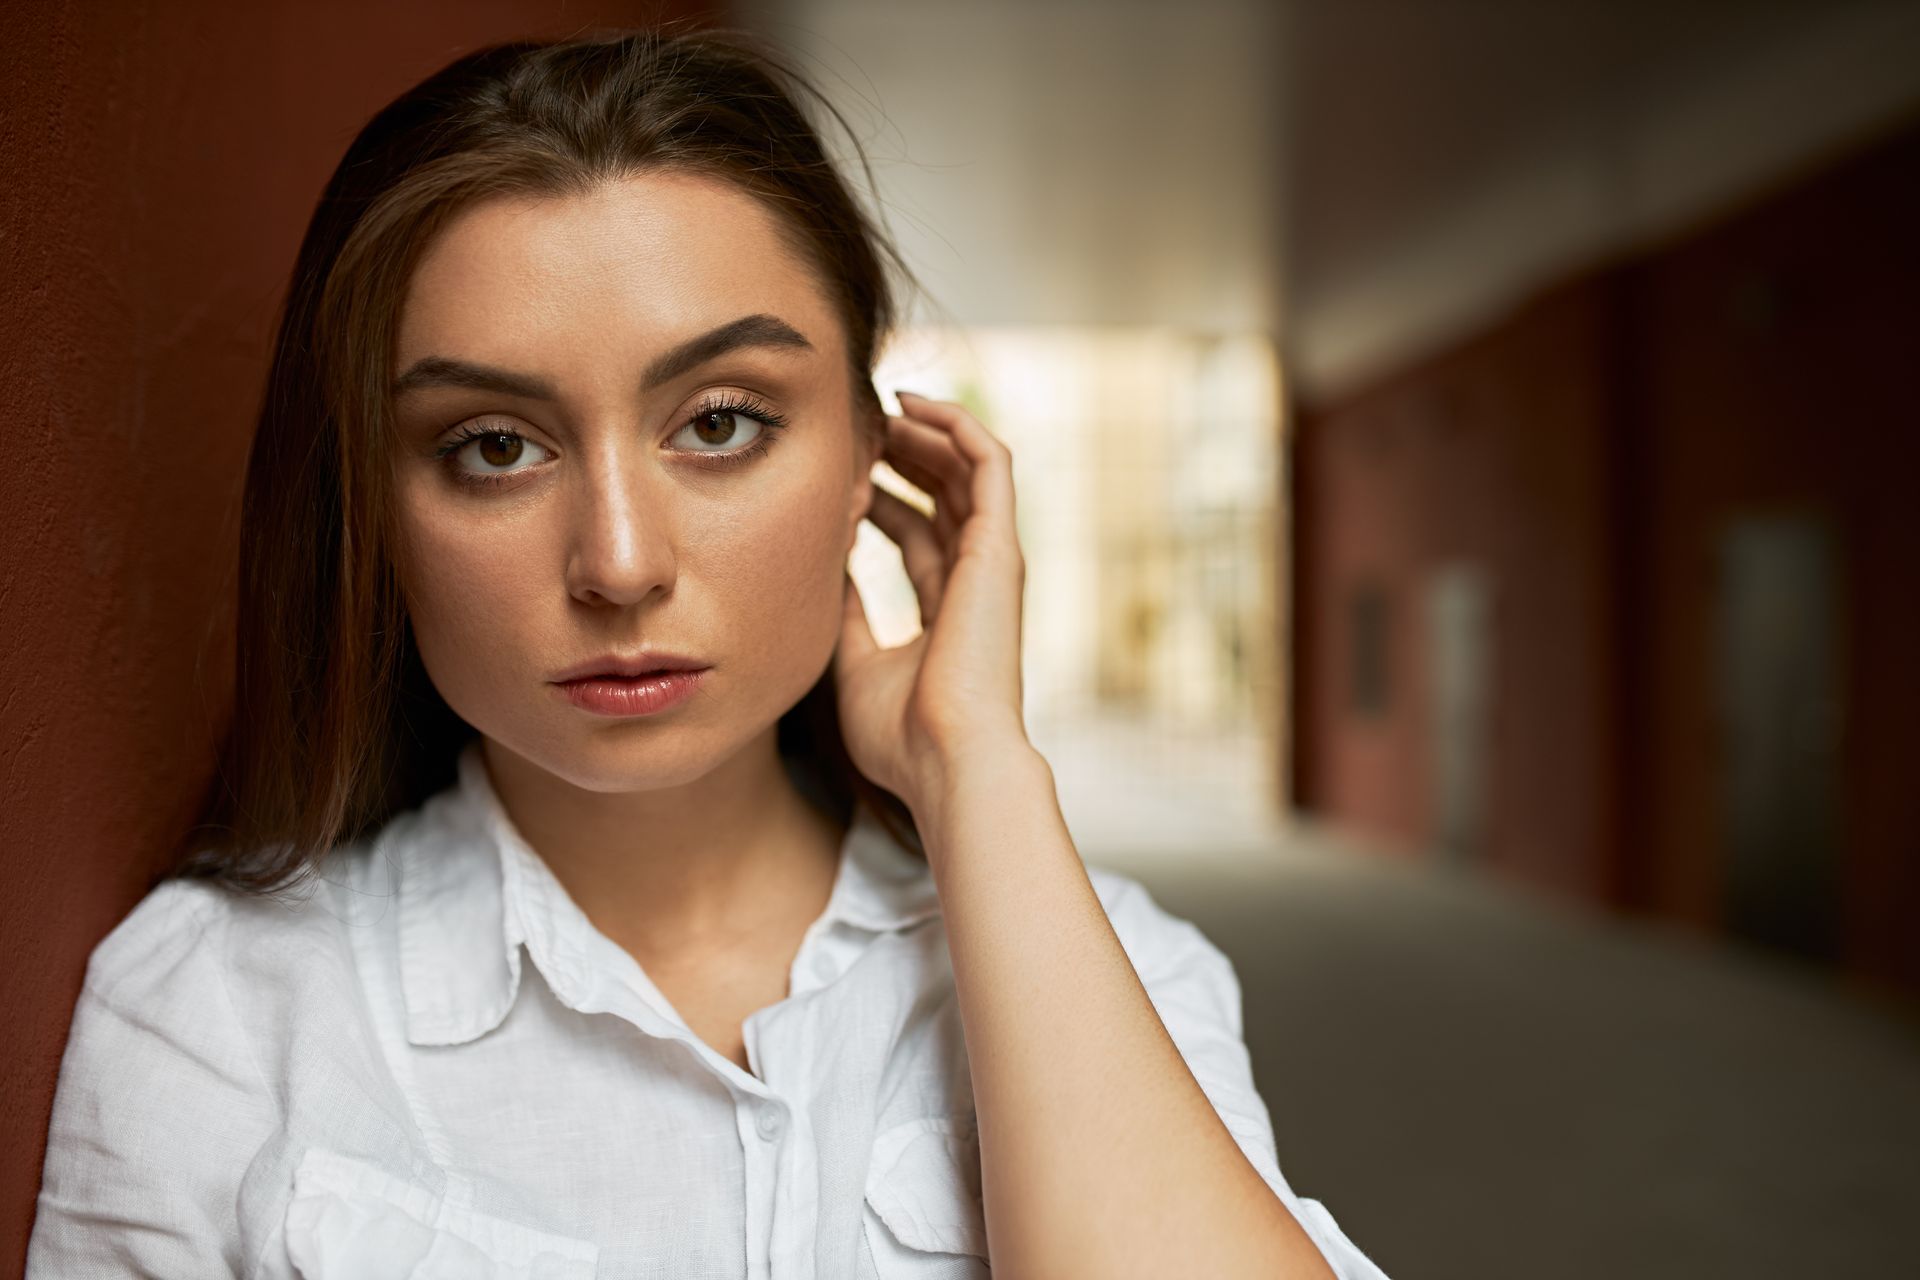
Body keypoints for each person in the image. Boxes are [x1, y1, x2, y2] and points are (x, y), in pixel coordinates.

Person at [26, 24, 1389, 1280]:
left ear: (869, 453)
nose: (620, 562)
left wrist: (978, 775)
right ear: (368, 508)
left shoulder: (1108, 970)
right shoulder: (214, 1014)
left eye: (723, 422)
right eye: (494, 447)